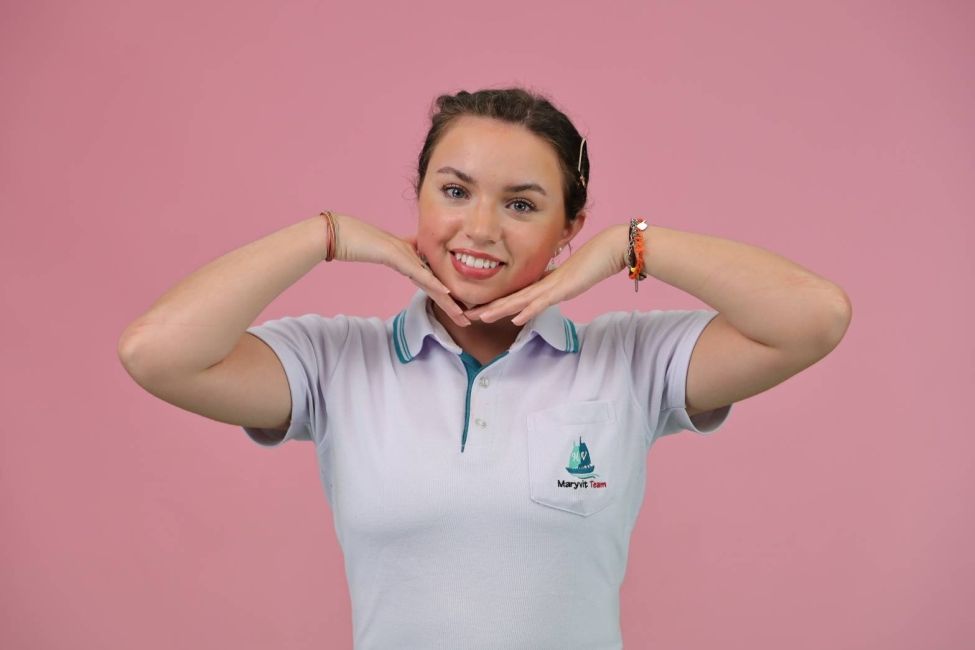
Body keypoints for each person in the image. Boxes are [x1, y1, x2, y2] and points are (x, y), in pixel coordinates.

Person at [118, 87, 852, 649]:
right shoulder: (334, 361)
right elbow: (156, 352)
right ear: (419, 195)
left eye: (522, 204)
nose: (479, 229)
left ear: (569, 228)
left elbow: (811, 317)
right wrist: (329, 236)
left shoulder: (629, 361)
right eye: (454, 190)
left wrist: (632, 246)